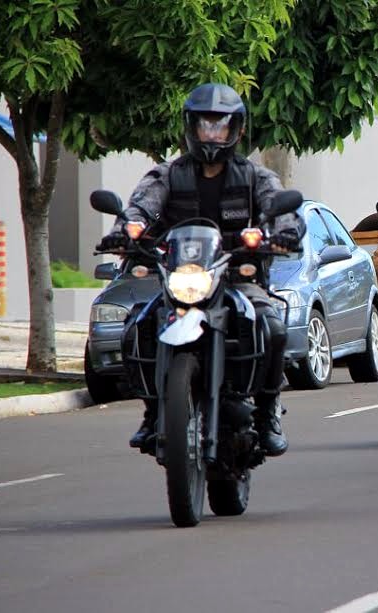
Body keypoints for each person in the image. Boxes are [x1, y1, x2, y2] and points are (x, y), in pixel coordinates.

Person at [98, 83, 303, 456]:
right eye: (204, 125)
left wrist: (285, 231)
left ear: (235, 130)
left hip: (239, 276)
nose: (211, 134)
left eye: (219, 126)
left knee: (271, 327)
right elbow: (139, 210)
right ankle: (152, 412)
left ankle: (268, 412)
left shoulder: (255, 177)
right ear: (191, 127)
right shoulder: (167, 175)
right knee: (136, 328)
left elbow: (282, 207)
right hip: (182, 277)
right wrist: (124, 232)